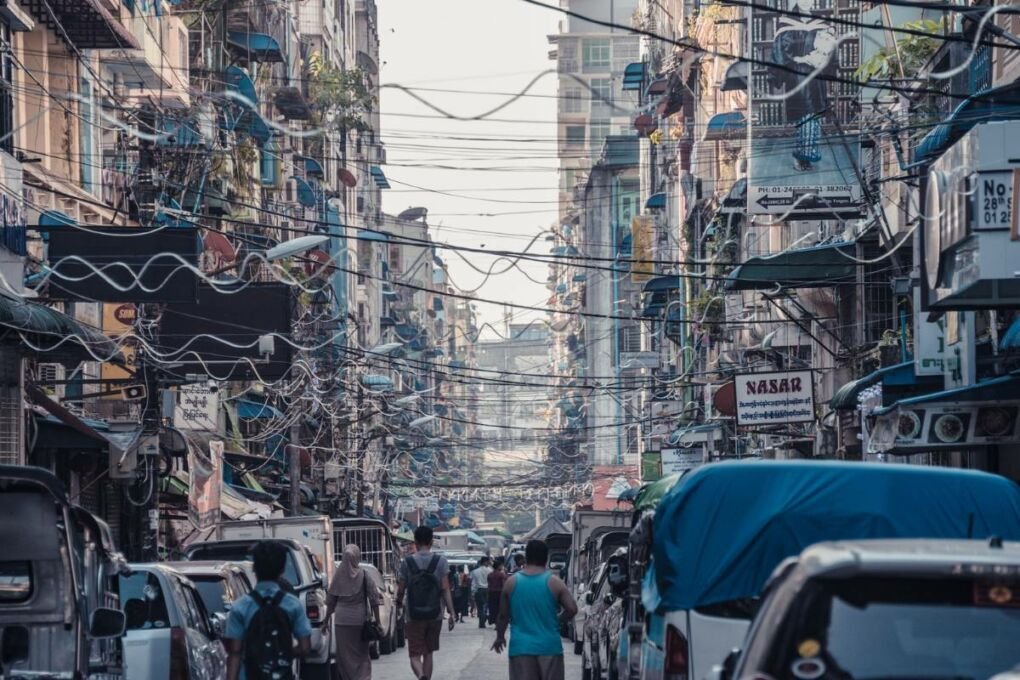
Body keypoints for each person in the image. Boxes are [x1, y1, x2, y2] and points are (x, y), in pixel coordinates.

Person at [225, 540, 312, 680]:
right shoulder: (293, 604)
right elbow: (305, 647)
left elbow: (235, 652)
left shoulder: (240, 607)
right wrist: (280, 654)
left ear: (254, 568)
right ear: (282, 569)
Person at [491, 539, 578, 680]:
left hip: (521, 648)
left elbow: (503, 615)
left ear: (527, 556)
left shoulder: (511, 583)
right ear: (546, 557)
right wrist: (557, 621)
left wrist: (500, 637)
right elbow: (572, 609)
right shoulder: (555, 582)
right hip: (549, 647)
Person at [396, 526, 456, 680]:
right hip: (434, 614)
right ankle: (426, 677)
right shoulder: (440, 561)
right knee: (428, 652)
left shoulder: (407, 562)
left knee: (415, 655)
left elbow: (401, 588)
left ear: (415, 541)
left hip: (413, 614)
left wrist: (398, 605)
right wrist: (451, 612)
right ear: (431, 541)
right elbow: (445, 589)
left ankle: (421, 675)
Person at [325, 544, 382, 680]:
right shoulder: (364, 575)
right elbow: (374, 599)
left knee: (344, 656)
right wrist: (378, 622)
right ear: (357, 557)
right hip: (359, 621)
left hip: (341, 622)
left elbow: (331, 602)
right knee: (361, 654)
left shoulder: (337, 577)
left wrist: (325, 621)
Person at [469, 556, 492, 627]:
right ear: (485, 562)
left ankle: (481, 622)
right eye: (488, 561)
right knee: (486, 606)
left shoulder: (475, 571)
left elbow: (473, 583)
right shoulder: (490, 571)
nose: (489, 563)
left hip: (479, 590)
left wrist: (473, 592)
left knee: (480, 607)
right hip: (488, 590)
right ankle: (485, 617)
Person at [486, 558, 508, 628]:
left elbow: (489, 584)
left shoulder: (490, 575)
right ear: (498, 566)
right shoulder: (502, 575)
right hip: (499, 593)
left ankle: (495, 622)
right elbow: (503, 584)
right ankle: (498, 623)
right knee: (499, 608)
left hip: (491, 593)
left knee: (493, 608)